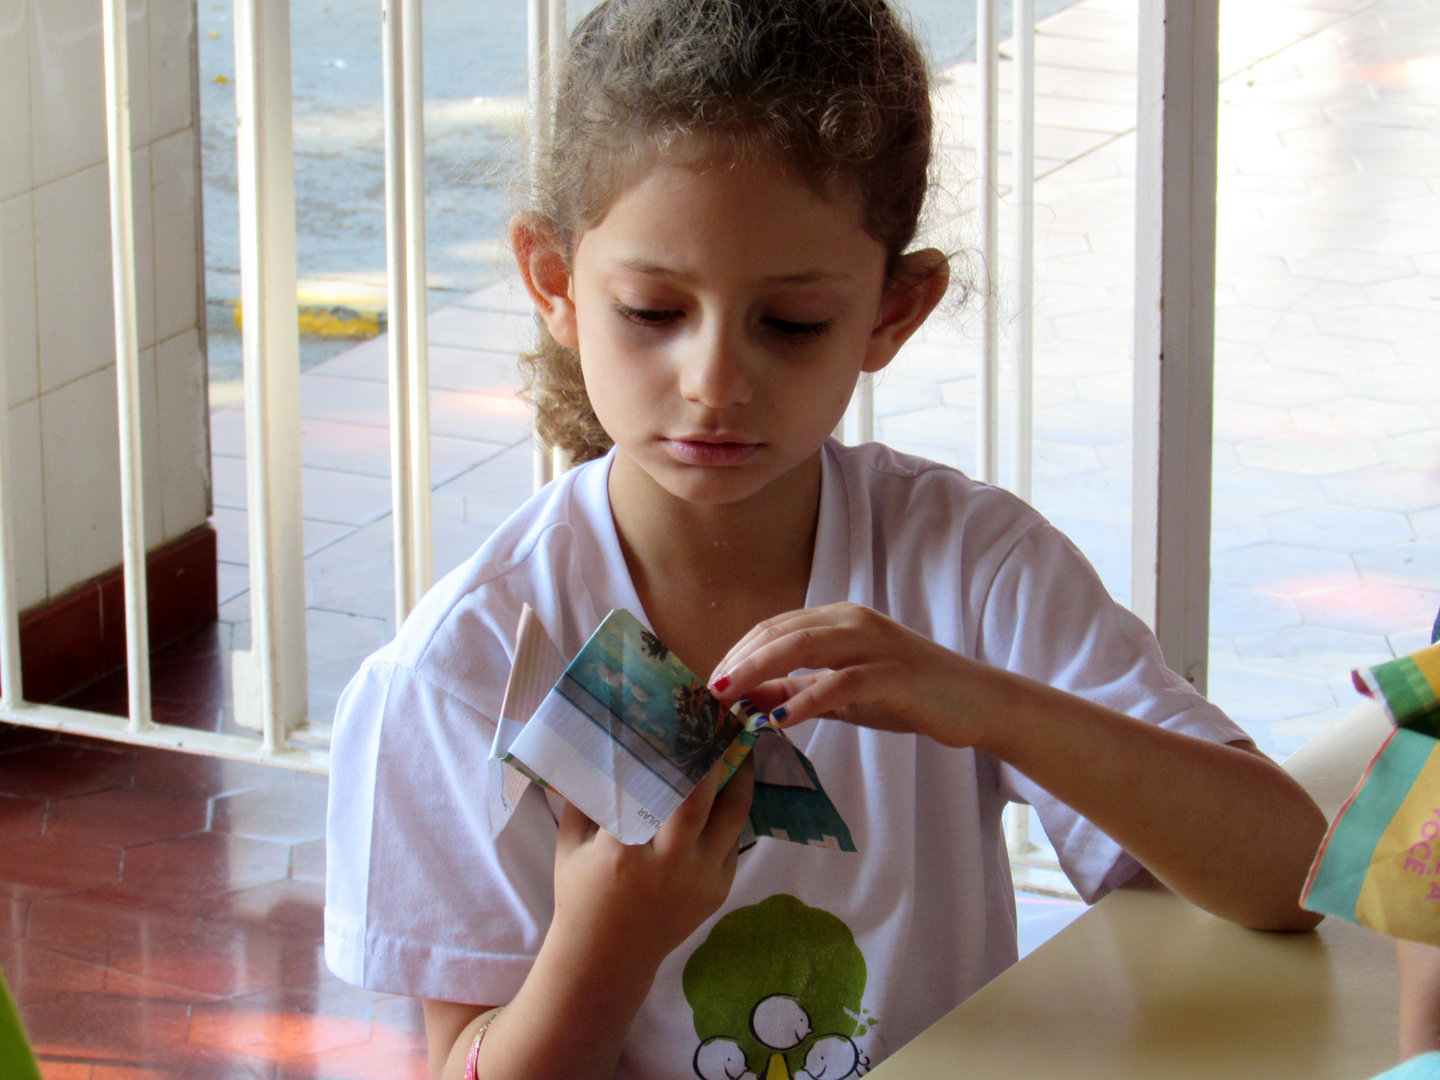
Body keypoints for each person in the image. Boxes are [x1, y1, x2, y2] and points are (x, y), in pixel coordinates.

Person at [323, 2, 1328, 1077]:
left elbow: (1293, 878)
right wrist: (604, 945)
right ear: (554, 283)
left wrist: (989, 705)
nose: (714, 382)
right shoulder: (463, 670)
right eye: (654, 311)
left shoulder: (973, 572)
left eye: (792, 324)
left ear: (893, 312)